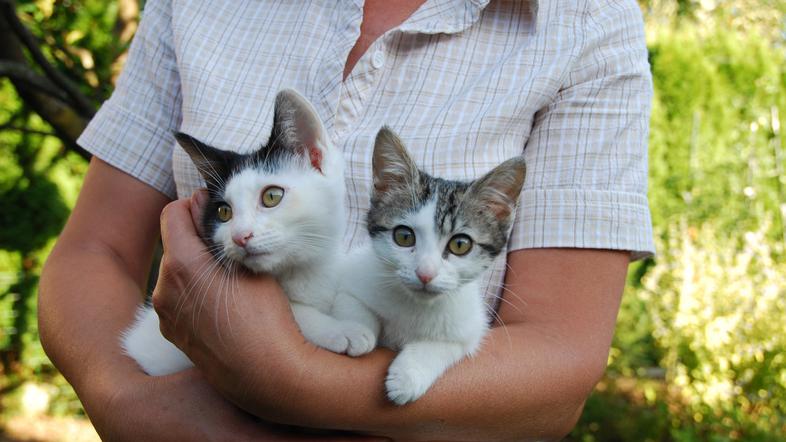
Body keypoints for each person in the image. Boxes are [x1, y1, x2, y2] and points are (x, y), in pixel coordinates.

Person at [38, 0, 654, 440]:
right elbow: (94, 249)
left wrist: (289, 378)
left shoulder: (584, 20)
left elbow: (560, 370)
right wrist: (124, 404)